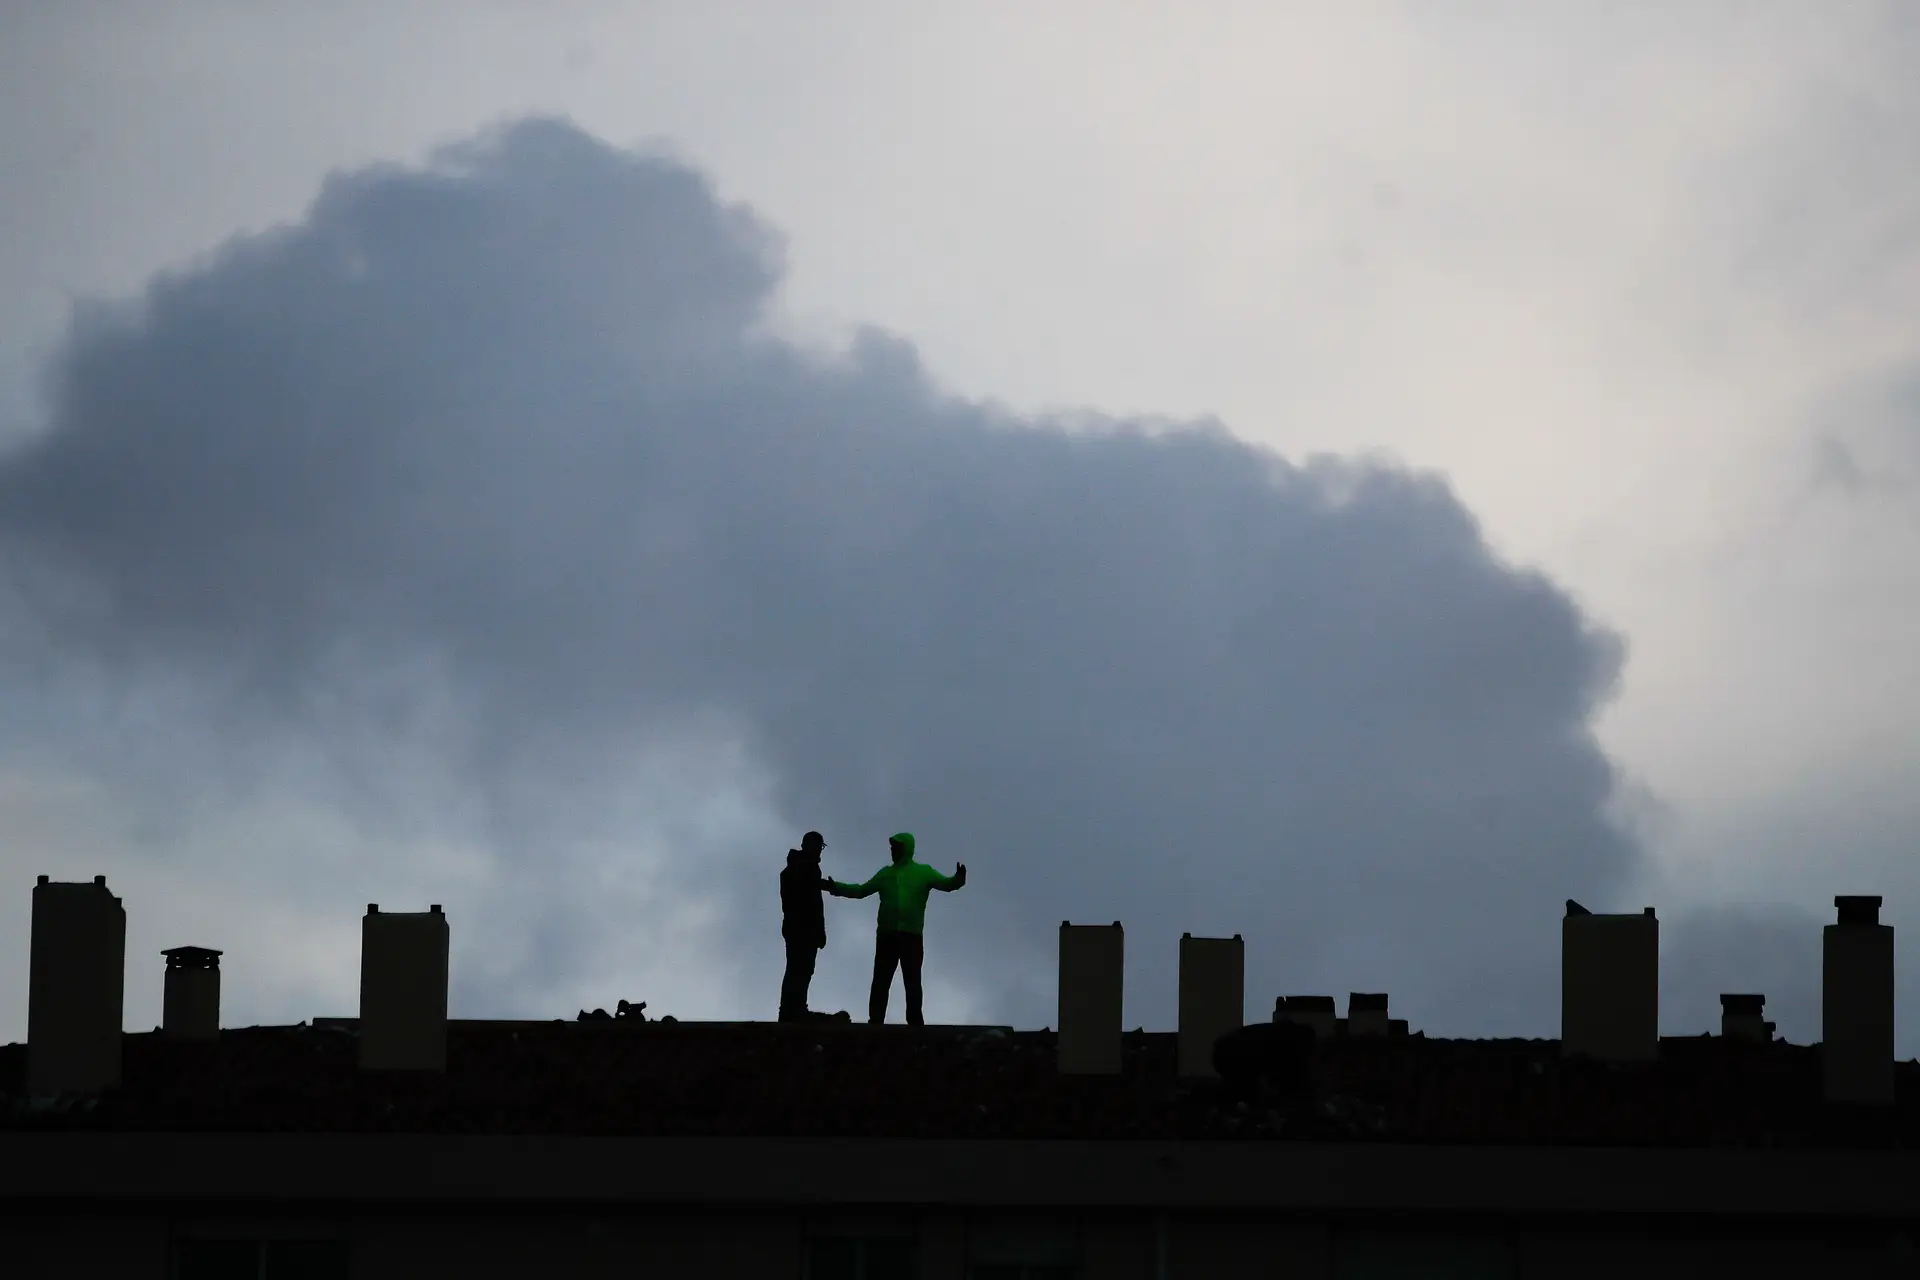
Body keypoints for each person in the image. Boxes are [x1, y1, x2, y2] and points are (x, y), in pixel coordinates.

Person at [828, 832, 967, 1026]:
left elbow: (947, 884)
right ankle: (876, 1021)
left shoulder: (923, 872)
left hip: (910, 936)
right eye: (892, 848)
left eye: (896, 847)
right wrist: (836, 887)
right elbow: (860, 891)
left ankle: (914, 1022)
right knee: (881, 981)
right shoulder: (886, 874)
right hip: (888, 935)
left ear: (906, 849)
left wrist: (959, 878)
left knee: (911, 982)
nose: (892, 851)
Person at [779, 831, 832, 1022]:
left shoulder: (799, 868)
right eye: (819, 846)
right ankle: (792, 1010)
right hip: (801, 928)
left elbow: (812, 893)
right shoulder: (804, 868)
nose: (820, 851)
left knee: (801, 969)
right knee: (798, 969)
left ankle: (795, 1007)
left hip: (800, 928)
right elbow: (810, 900)